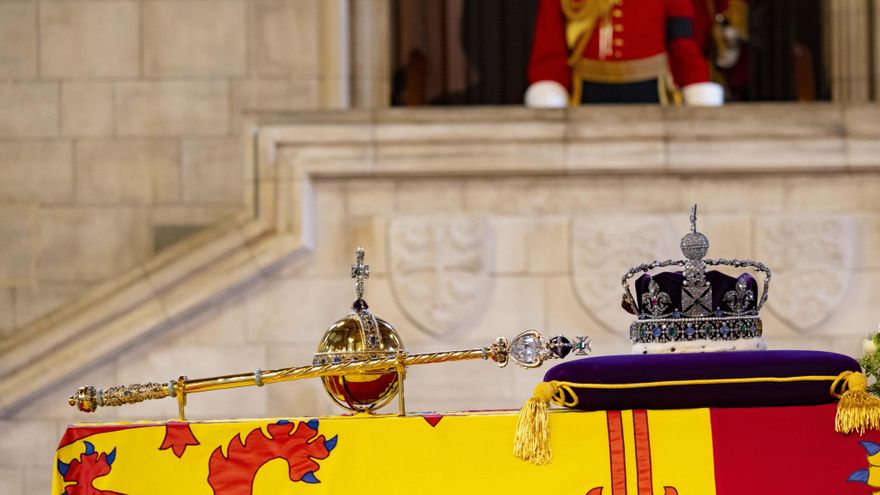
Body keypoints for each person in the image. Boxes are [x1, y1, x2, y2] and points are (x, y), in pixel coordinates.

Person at [525, 0, 724, 107]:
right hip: (588, 92)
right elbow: (550, 44)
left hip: (651, 91)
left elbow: (682, 44)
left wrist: (696, 84)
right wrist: (550, 87)